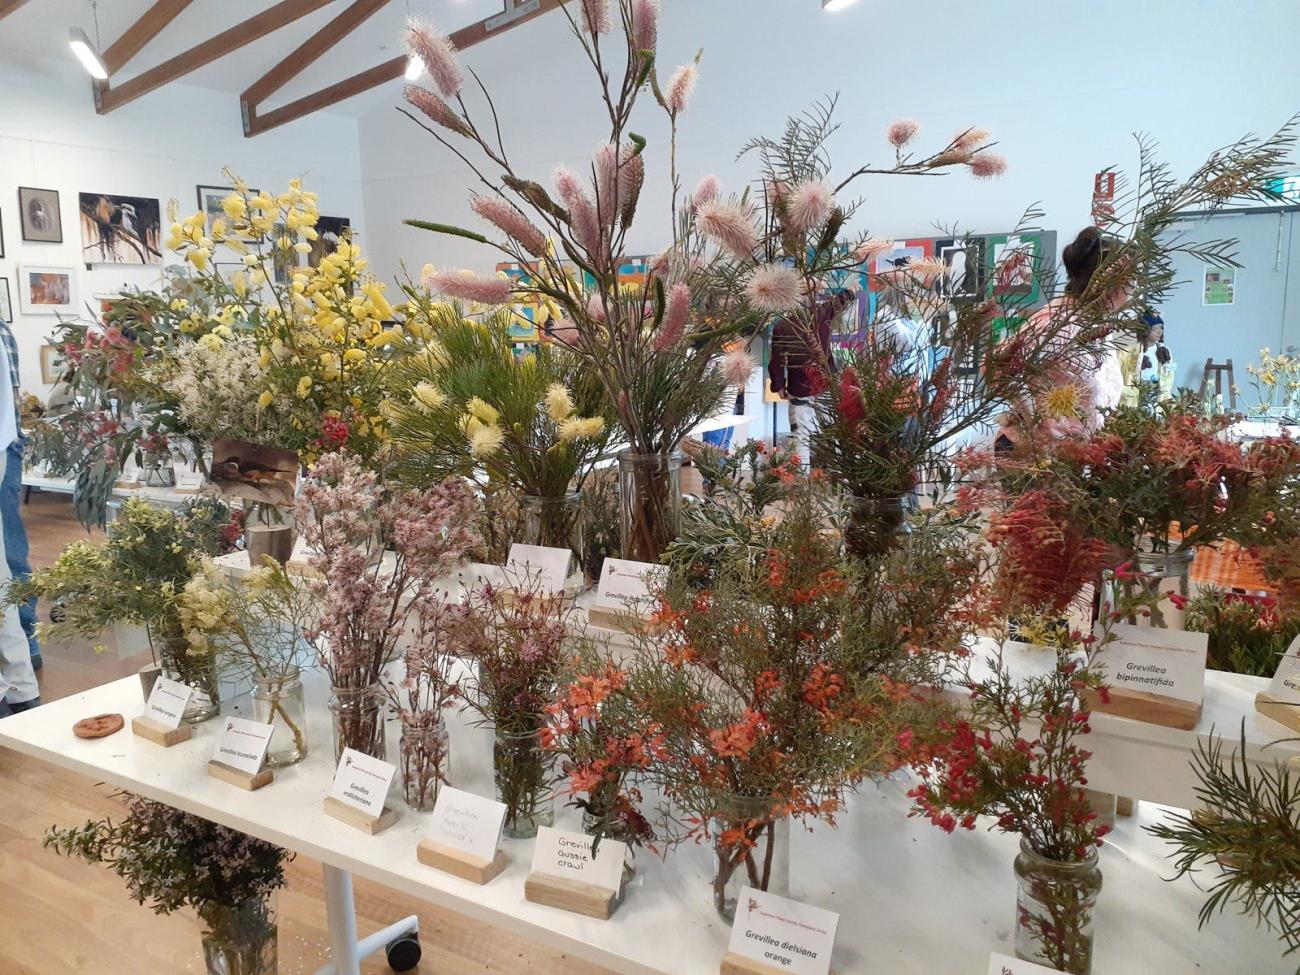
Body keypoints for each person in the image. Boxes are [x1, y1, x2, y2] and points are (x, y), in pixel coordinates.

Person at [994, 226, 1128, 449]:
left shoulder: (1096, 323)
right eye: (1131, 281)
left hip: (1071, 457)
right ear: (1109, 283)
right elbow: (996, 368)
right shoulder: (1060, 323)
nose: (1136, 290)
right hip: (1036, 458)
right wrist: (1035, 419)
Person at [768, 281, 860, 463]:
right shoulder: (821, 314)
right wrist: (852, 289)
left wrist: (779, 385)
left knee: (801, 437)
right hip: (826, 385)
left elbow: (777, 360)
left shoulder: (782, 326)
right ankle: (842, 477)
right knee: (834, 432)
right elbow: (841, 300)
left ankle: (802, 482)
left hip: (799, 387)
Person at [0, 336, 39, 717]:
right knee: (5, 565)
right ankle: (21, 686)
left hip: (4, 445)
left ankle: (17, 684)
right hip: (4, 445)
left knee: (8, 561)